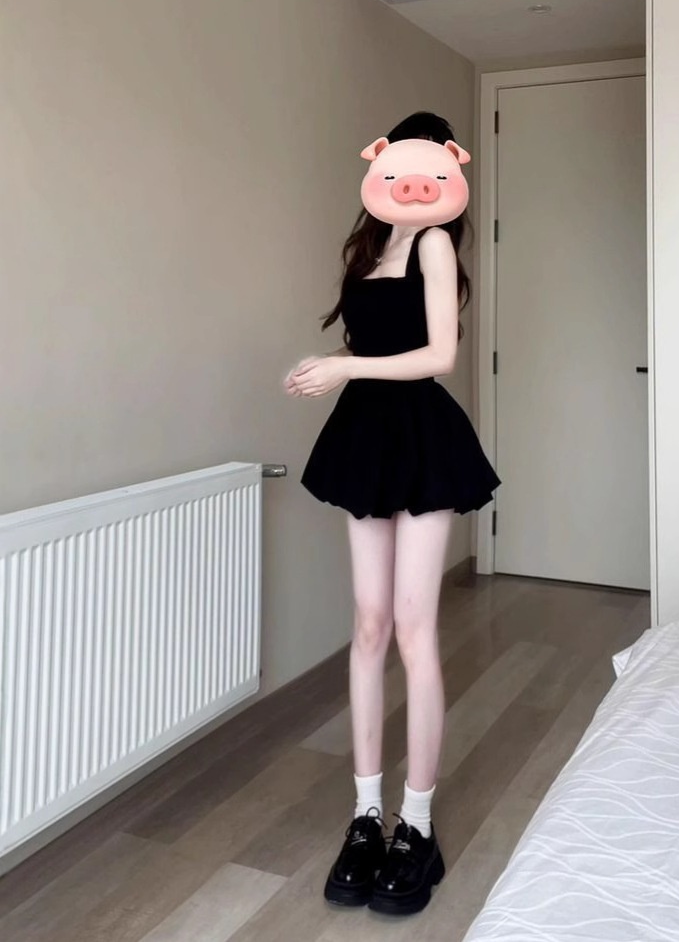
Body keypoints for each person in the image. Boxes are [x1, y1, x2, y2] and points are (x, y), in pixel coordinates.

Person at [284, 111, 500, 917]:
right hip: (364, 436)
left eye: (431, 169)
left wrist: (344, 368)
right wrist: (328, 369)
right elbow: (370, 348)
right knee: (369, 625)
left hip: (420, 435)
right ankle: (365, 816)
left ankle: (417, 823)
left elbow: (440, 354)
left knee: (413, 627)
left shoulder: (436, 244)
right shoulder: (368, 248)